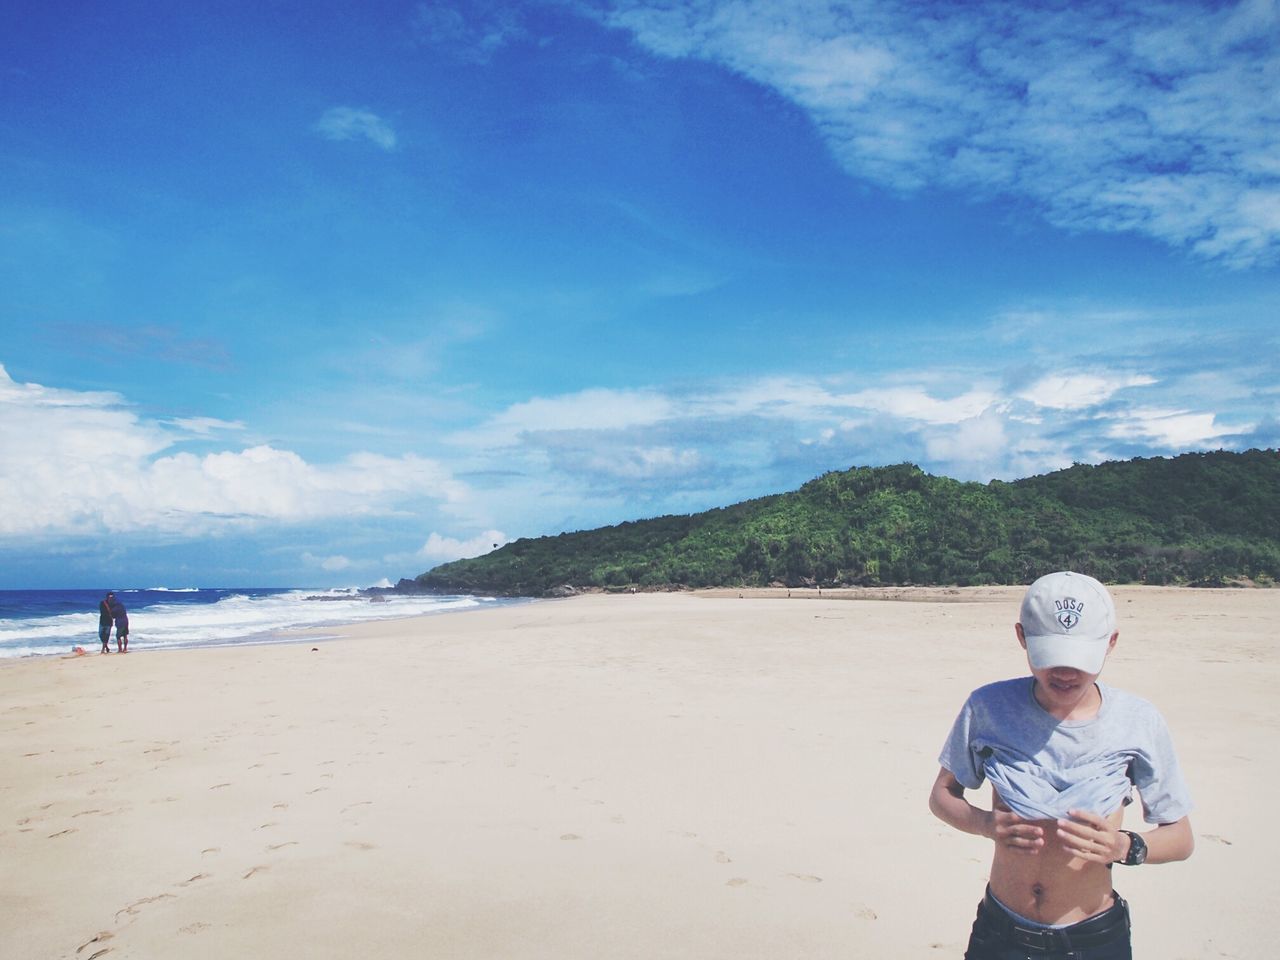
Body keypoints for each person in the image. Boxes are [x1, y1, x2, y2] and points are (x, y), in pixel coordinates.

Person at [929, 571, 1194, 959]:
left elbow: (1181, 836)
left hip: (1093, 940)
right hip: (1000, 933)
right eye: (1051, 658)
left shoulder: (1138, 721)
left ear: (1111, 643)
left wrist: (1125, 846)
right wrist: (984, 823)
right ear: (1022, 637)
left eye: (1080, 659)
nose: (1066, 673)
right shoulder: (987, 708)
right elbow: (942, 794)